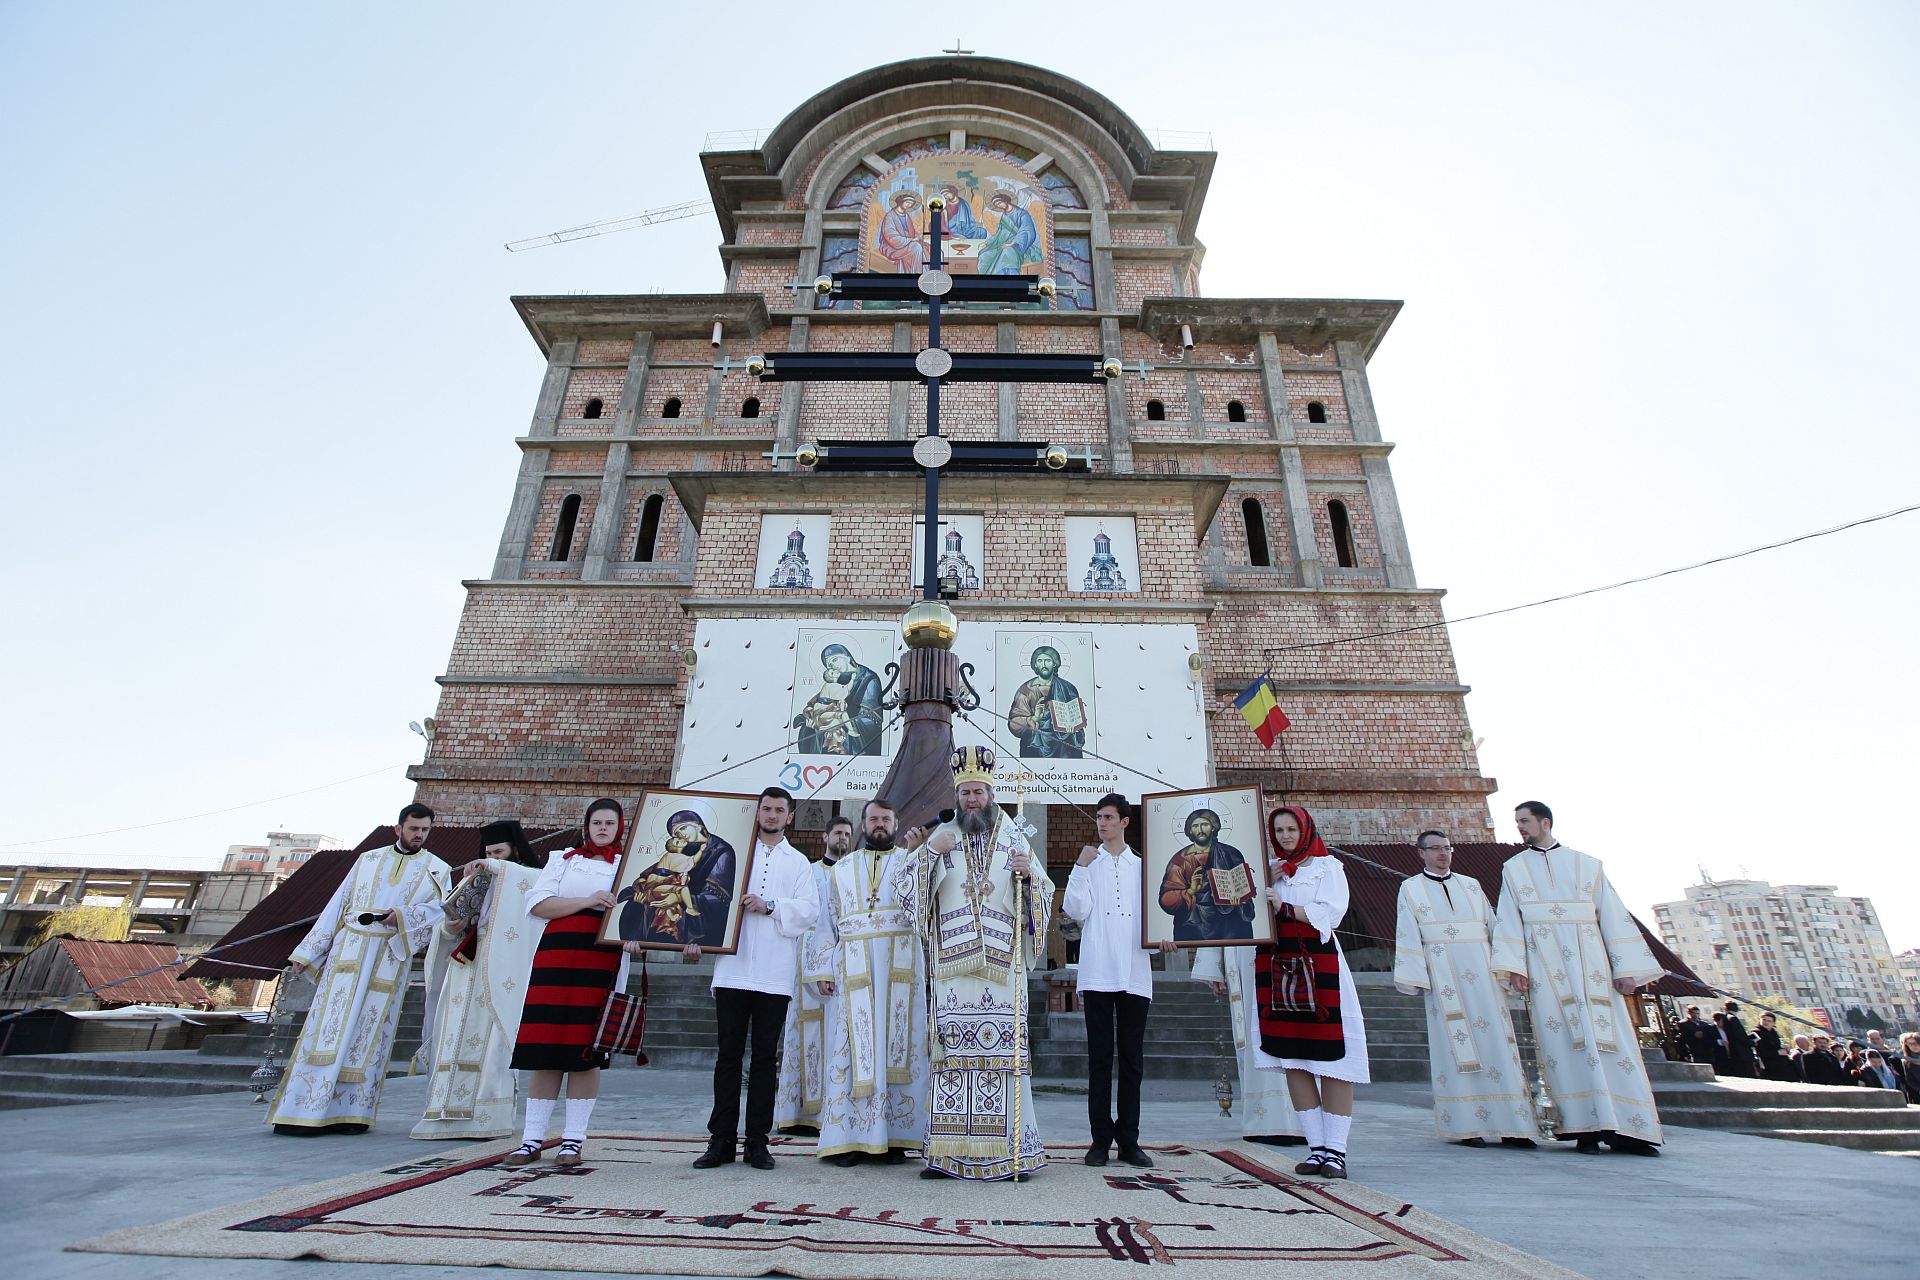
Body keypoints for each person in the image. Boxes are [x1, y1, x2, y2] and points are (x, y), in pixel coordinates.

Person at [902, 746, 1054, 1181]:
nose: (972, 800)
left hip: (1003, 972)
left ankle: (1011, 1154)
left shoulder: (1014, 839)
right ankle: (947, 1153)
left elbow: (1041, 897)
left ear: (991, 793)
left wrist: (1028, 879)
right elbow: (906, 893)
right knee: (952, 1058)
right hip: (952, 968)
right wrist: (930, 855)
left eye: (979, 792)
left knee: (1003, 1059)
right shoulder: (941, 837)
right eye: (966, 792)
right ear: (958, 794)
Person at [1492, 801, 1663, 1156]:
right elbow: (1509, 917)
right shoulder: (1514, 868)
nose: (1520, 828)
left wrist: (1626, 969)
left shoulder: (1587, 865)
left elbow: (1613, 915)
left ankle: (1629, 1129)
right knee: (1563, 1045)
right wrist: (1516, 967)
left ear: (1545, 822)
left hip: (1593, 967)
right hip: (1544, 968)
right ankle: (1584, 1127)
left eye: (1525, 821)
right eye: (1517, 822)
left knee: (1611, 1044)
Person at [268, 803, 450, 1135]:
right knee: (329, 1026)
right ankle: (302, 1110)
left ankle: (351, 1114)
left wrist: (405, 917)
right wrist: (309, 951)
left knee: (369, 1035)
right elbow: (337, 905)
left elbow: (440, 910)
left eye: (424, 830)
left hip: (390, 954)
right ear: (399, 829)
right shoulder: (367, 860)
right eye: (413, 829)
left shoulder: (437, 869)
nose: (418, 835)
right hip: (349, 952)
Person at [692, 787, 822, 1171]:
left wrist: (771, 906)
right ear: (758, 813)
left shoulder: (798, 862)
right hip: (732, 969)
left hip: (774, 973)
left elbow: (810, 911)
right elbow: (702, 898)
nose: (771, 815)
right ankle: (721, 1140)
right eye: (766, 808)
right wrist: (697, 938)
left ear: (790, 816)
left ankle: (758, 1142)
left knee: (765, 1058)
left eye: (779, 810)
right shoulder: (729, 856)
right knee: (728, 1056)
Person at [502, 799, 633, 1169]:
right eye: (597, 822)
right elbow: (539, 905)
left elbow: (634, 910)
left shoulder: (627, 865)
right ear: (586, 825)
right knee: (544, 1049)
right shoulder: (562, 858)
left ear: (619, 827)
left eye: (610, 823)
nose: (603, 828)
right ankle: (531, 1140)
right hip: (556, 959)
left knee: (585, 1053)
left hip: (601, 960)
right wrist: (588, 901)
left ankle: (573, 1140)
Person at [1392, 829, 1537, 1149]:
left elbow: (1494, 926)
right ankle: (1467, 1124)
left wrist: (1510, 966)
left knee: (1497, 1042)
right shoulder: (1411, 888)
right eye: (1436, 849)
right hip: (1443, 975)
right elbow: (1407, 930)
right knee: (1453, 1046)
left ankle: (1514, 1125)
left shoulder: (1471, 885)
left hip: (1483, 975)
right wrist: (1415, 975)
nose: (1443, 854)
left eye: (1447, 848)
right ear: (1421, 854)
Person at [806, 797, 930, 1165]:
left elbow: (926, 908)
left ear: (895, 823)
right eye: (873, 819)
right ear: (863, 825)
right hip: (853, 971)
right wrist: (822, 969)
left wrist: (921, 854)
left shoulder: (911, 862)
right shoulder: (842, 869)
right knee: (851, 1050)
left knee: (899, 1049)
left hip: (900, 971)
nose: (879, 824)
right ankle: (848, 1139)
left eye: (886, 819)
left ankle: (893, 1139)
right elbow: (825, 923)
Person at [411, 819, 546, 1140]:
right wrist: (450, 927)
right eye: (488, 852)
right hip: (465, 965)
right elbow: (448, 922)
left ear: (515, 850)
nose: (494, 858)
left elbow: (532, 884)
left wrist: (496, 868)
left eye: (500, 852)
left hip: (501, 969)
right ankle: (442, 1113)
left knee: (492, 1042)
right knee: (452, 1035)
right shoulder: (478, 876)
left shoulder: (530, 878)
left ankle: (487, 1116)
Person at [1062, 794, 1176, 1168]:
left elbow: (1156, 916)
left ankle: (1129, 1139)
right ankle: (1099, 1140)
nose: (1102, 823)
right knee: (1099, 1060)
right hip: (1097, 971)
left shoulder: (1143, 867)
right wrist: (1079, 868)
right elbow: (1076, 911)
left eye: (1109, 817)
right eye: (1099, 817)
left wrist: (1163, 938)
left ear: (1125, 822)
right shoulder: (1089, 865)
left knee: (1131, 1060)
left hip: (1134, 972)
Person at [1258, 805, 1369, 1180]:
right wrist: (1261, 884)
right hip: (1278, 967)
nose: (1286, 836)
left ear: (1304, 830)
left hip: (1319, 965)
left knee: (1333, 1059)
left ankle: (1336, 1151)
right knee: (1294, 1059)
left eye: (1291, 829)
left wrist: (1286, 905)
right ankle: (1316, 1149)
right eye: (1280, 830)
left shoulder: (1327, 867)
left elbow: (1332, 913)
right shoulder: (1269, 867)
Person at [773, 815, 854, 1136]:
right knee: (802, 1037)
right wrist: (819, 967)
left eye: (847, 834)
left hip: (843, 968)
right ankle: (798, 1112)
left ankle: (829, 1113)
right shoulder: (809, 871)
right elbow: (811, 922)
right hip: (806, 968)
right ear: (825, 836)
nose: (842, 839)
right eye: (837, 833)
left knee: (836, 1040)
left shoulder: (853, 872)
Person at [615, 808, 736, 949]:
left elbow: (717, 897)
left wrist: (678, 897)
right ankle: (634, 946)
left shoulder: (721, 851)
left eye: (684, 828)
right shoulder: (680, 849)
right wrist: (642, 889)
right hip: (669, 894)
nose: (681, 834)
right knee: (635, 906)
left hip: (699, 910)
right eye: (677, 834)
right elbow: (654, 873)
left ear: (699, 826)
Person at [1156, 806, 1258, 942]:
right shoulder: (1179, 860)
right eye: (1195, 826)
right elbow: (1166, 899)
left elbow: (1243, 885)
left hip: (1228, 923)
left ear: (1213, 827)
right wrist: (1191, 890)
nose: (1200, 830)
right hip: (1194, 922)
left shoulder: (1231, 853)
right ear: (1190, 831)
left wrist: (1240, 897)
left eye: (1205, 824)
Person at [792, 645, 884, 757]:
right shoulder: (836, 679)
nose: (833, 666)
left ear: (848, 657)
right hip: (834, 718)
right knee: (807, 729)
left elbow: (871, 716)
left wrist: (842, 724)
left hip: (857, 726)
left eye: (835, 660)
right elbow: (821, 698)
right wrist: (809, 711)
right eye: (830, 665)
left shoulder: (869, 679)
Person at [1007, 645, 1087, 758]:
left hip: (1064, 747)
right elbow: (1013, 723)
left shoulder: (1068, 688)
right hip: (1035, 747)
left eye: (1048, 661)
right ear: (1035, 664)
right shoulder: (1025, 691)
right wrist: (1034, 718)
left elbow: (1077, 718)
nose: (1043, 665)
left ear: (1055, 663)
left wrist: (1073, 728)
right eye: (1040, 661)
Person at [1720, 1002, 1759, 1078]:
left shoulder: (1725, 1018)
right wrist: (1752, 1042)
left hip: (1734, 1052)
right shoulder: (1733, 1019)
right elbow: (1740, 1036)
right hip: (1742, 1053)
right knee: (1748, 1076)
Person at [1753, 1011, 1792, 1081]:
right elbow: (1761, 1052)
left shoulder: (1773, 1033)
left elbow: (1776, 1047)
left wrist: (1784, 1049)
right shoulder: (1756, 1033)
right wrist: (1777, 1053)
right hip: (1769, 1066)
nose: (1766, 1022)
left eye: (1769, 1021)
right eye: (1764, 1020)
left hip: (1781, 1065)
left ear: (1773, 1023)